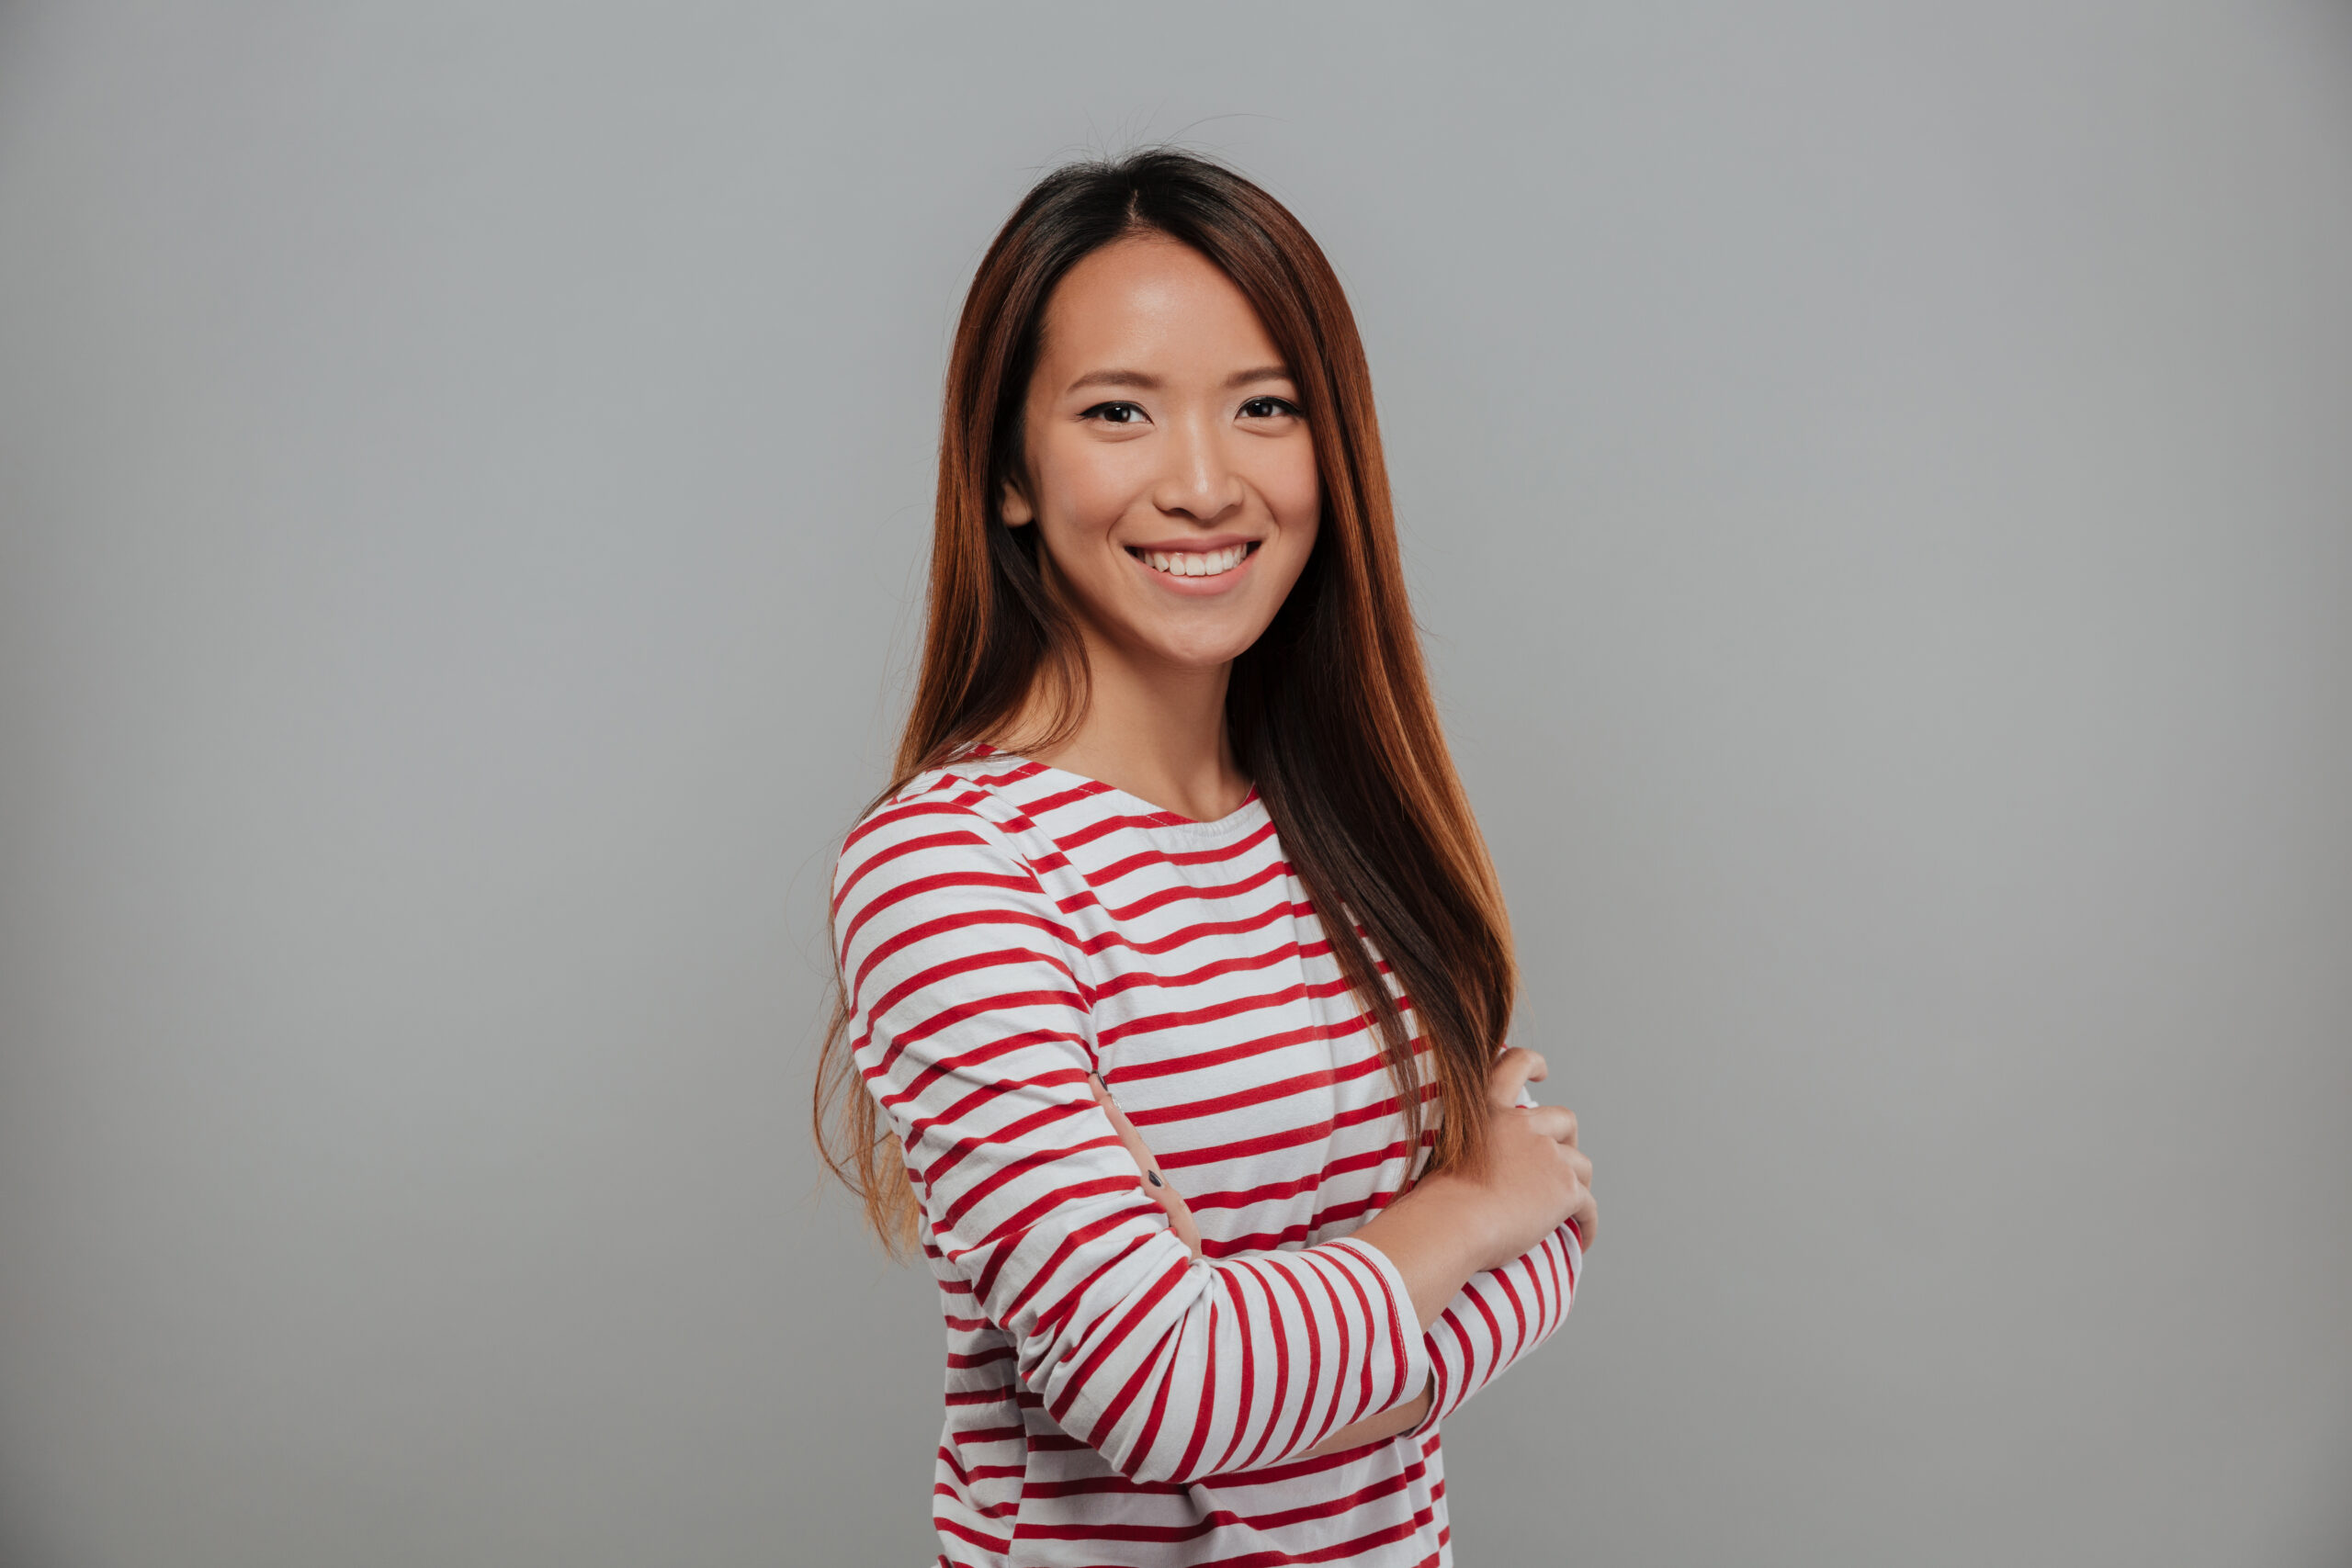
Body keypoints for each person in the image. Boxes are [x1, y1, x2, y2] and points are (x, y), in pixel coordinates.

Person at [813, 148, 1598, 1568]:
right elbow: (1166, 1396)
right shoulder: (956, 871)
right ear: (1009, 470)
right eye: (1119, 411)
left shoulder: (1338, 828)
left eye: (1266, 409)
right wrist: (1462, 1211)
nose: (1201, 482)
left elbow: (1560, 1245)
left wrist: (1258, 1330)